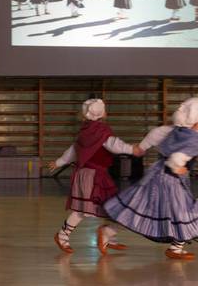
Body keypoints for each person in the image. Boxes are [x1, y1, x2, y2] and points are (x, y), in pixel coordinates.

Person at [103, 97, 198, 260]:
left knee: (142, 208)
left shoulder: (177, 130)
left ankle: (108, 232)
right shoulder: (195, 138)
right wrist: (178, 167)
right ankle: (175, 248)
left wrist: (143, 146)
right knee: (183, 212)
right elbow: (176, 159)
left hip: (157, 174)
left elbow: (157, 133)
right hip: (171, 180)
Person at [48, 99, 140, 255]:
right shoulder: (102, 132)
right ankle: (63, 235)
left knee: (107, 205)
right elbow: (114, 145)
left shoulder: (85, 131)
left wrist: (59, 162)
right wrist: (132, 149)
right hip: (93, 175)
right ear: (103, 113)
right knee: (84, 209)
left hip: (87, 174)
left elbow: (73, 150)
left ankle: (108, 236)